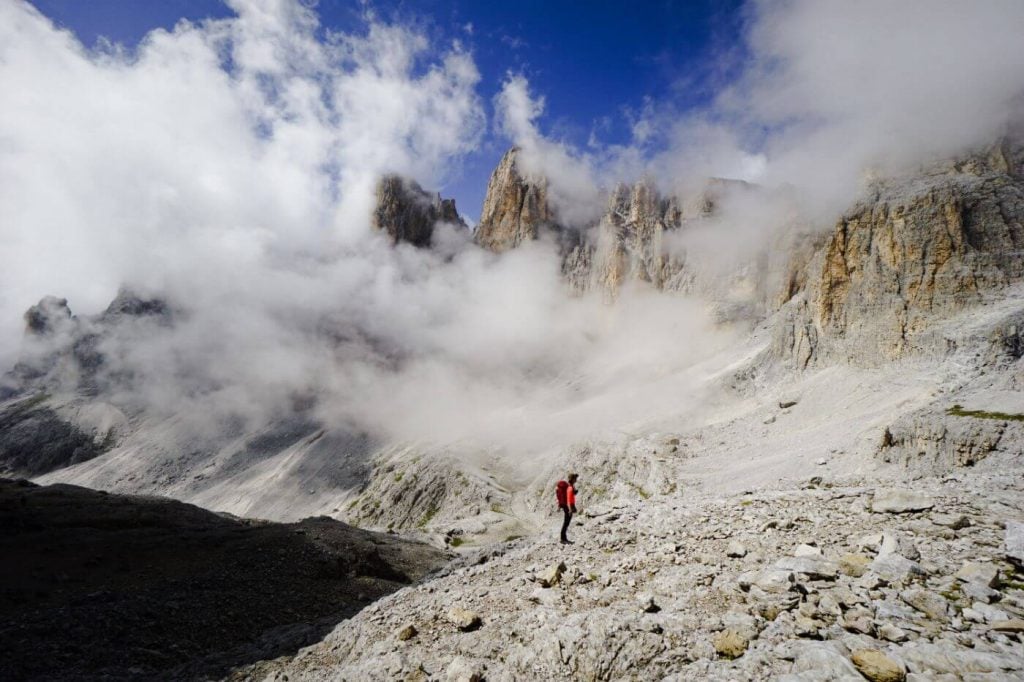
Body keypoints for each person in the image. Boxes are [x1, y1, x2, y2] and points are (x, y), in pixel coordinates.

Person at [555, 473, 579, 544]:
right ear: (573, 479)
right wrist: (570, 509)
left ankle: (564, 538)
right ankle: (563, 539)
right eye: (575, 479)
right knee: (566, 523)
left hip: (567, 506)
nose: (576, 480)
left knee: (566, 522)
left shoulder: (570, 486)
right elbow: (568, 499)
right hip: (568, 506)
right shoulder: (570, 488)